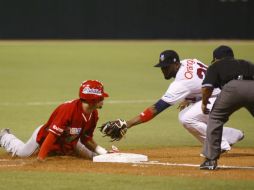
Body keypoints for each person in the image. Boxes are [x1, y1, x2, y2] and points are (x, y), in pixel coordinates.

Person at [125, 50, 244, 153]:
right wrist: (191, 98)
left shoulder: (180, 82)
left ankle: (217, 146)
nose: (163, 70)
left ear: (176, 64)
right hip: (223, 94)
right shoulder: (188, 61)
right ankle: (232, 135)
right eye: (162, 67)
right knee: (194, 116)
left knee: (187, 118)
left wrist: (128, 124)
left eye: (166, 66)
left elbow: (157, 108)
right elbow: (202, 80)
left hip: (221, 99)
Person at [0, 80, 111, 161]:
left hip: (69, 140)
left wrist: (103, 152)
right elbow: (52, 135)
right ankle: (4, 136)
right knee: (22, 154)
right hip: (44, 137)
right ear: (92, 99)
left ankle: (99, 155)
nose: (103, 100)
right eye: (101, 98)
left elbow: (87, 139)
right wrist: (41, 157)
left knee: (93, 158)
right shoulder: (68, 110)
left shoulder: (94, 114)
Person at [200, 45, 254, 170]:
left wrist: (204, 103)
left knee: (215, 119)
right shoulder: (246, 63)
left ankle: (210, 160)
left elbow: (207, 87)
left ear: (216, 58)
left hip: (232, 88)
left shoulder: (216, 65)